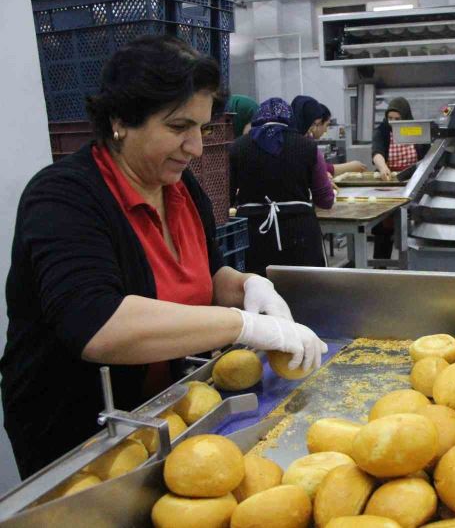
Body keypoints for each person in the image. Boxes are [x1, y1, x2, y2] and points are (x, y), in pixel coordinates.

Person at [1, 36, 326, 479]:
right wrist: (244, 325)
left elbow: (207, 272)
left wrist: (249, 285)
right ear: (120, 121)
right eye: (178, 127)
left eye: (203, 128)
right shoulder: (63, 197)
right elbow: (98, 325)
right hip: (80, 432)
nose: (195, 147)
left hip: (161, 414)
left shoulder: (181, 188)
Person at [230, 98, 335, 272]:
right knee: (304, 293)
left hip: (254, 236)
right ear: (289, 118)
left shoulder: (237, 148)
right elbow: (325, 200)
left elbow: (225, 198)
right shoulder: (308, 147)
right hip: (300, 236)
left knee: (261, 292)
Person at [371, 97, 430, 259]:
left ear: (405, 117)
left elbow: (427, 157)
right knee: (384, 229)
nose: (393, 122)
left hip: (413, 184)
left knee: (412, 229)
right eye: (390, 118)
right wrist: (383, 167)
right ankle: (381, 267)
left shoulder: (413, 129)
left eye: (397, 119)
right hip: (389, 183)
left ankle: (413, 266)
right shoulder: (383, 130)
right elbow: (377, 152)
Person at [313, 103, 368, 177]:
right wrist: (350, 167)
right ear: (318, 123)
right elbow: (321, 168)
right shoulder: (306, 145)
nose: (326, 130)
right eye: (327, 125)